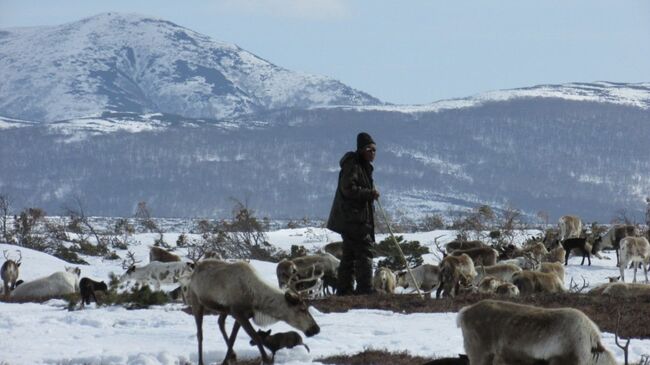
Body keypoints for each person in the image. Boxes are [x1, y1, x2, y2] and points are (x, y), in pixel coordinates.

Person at [327, 132, 380, 295]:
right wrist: (369, 193)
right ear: (362, 150)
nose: (373, 153)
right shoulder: (354, 165)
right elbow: (348, 189)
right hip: (354, 218)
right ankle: (365, 288)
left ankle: (344, 289)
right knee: (364, 250)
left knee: (349, 254)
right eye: (370, 149)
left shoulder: (361, 166)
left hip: (352, 218)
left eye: (374, 150)